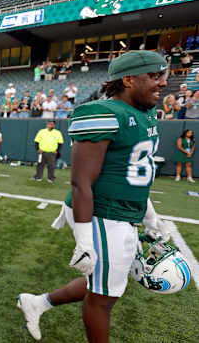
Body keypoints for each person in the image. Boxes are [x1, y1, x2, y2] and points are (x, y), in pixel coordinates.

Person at [18, 50, 169, 343]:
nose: (162, 82)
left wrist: (150, 216)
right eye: (154, 76)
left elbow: (132, 173)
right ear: (128, 79)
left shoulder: (145, 113)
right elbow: (81, 182)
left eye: (162, 75)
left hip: (124, 210)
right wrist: (85, 242)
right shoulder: (102, 113)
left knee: (103, 285)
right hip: (101, 213)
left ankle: (38, 302)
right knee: (104, 298)